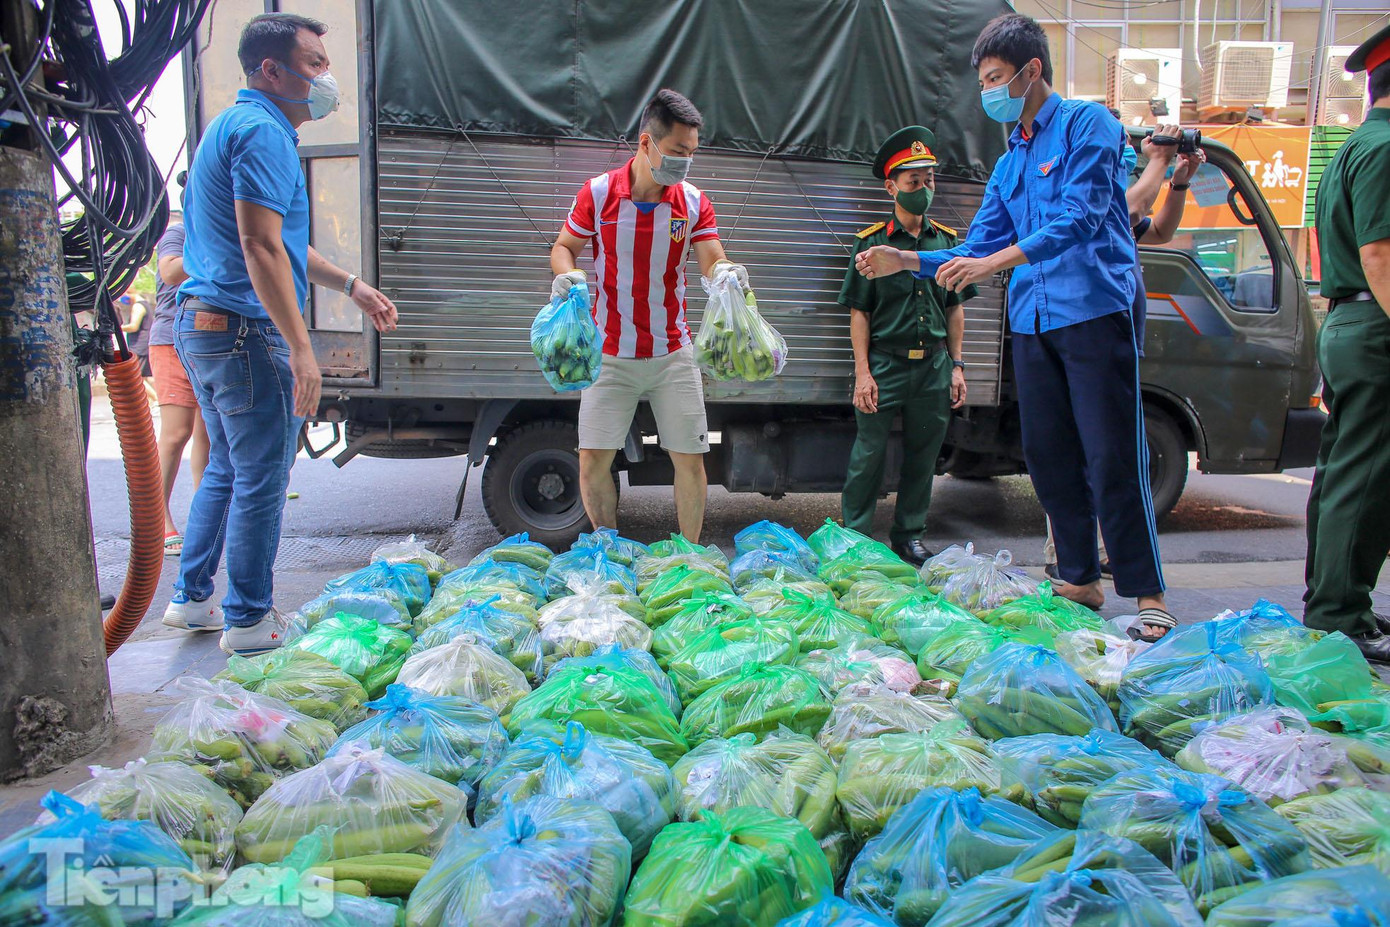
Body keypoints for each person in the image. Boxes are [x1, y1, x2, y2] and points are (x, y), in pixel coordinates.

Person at [856, 13, 1176, 640]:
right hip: (1031, 322)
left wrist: (991, 263)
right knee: (1049, 454)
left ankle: (1148, 596)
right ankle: (1079, 578)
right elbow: (976, 244)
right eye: (983, 82)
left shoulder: (1090, 125)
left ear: (1032, 71)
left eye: (997, 78)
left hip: (1095, 312)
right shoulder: (1010, 161)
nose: (989, 93)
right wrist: (907, 260)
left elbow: (1080, 220)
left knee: (1113, 453)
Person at [162, 12, 398, 656]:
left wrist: (351, 285)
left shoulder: (232, 126)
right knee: (262, 478)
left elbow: (285, 244)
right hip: (243, 332)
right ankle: (249, 621)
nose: (326, 79)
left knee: (226, 473)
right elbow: (261, 247)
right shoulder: (264, 133)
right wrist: (301, 349)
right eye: (315, 64)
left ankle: (191, 601)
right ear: (272, 70)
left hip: (203, 325)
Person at [550, 89, 748, 543]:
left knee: (689, 460)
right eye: (678, 152)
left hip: (672, 354)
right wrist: (567, 277)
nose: (685, 164)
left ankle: (689, 556)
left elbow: (711, 258)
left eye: (692, 154)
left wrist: (727, 274)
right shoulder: (598, 195)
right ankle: (607, 548)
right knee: (592, 459)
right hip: (610, 353)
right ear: (647, 144)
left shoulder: (693, 202)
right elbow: (564, 247)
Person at [1042, 125, 1206, 581]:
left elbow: (1162, 228)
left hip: (1117, 342)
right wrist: (1158, 160)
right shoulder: (1081, 194)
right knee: (1079, 451)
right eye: (1122, 151)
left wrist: (1179, 178)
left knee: (1112, 452)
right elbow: (1128, 205)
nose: (1127, 156)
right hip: (1077, 342)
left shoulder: (1115, 193)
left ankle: (1100, 553)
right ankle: (1070, 557)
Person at [839, 126, 972, 566]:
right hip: (885, 365)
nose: (923, 189)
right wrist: (863, 372)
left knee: (923, 458)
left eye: (929, 180)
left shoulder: (948, 243)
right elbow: (860, 311)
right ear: (891, 186)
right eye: (914, 182)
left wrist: (957, 365)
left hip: (933, 367)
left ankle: (909, 535)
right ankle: (855, 537)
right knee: (868, 455)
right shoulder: (872, 243)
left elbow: (955, 308)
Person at [1304, 22, 1390, 665]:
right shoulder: (1387, 148)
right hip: (1374, 323)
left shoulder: (1357, 144)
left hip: (1350, 323)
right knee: (1365, 478)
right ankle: (1339, 615)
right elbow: (1381, 253)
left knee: (1343, 474)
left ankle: (1338, 604)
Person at [150, 215, 211, 557]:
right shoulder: (179, 231)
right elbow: (170, 271)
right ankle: (157, 519)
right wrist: (217, 249)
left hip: (208, 339)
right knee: (176, 433)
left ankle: (206, 518)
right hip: (170, 341)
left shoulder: (221, 224)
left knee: (207, 434)